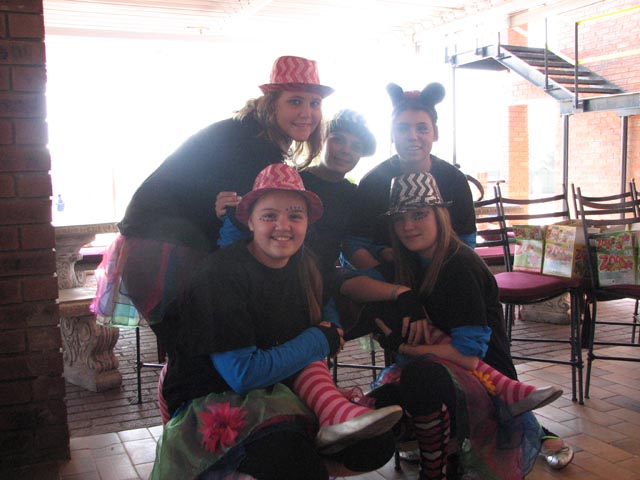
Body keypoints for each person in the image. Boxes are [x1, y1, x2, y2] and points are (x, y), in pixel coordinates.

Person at [151, 164, 402, 479]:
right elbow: (242, 375)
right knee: (296, 463)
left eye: (295, 216)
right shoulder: (222, 274)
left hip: (276, 387)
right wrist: (318, 340)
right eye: (269, 215)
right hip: (210, 395)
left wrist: (336, 325)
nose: (283, 226)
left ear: (307, 223)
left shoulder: (304, 265)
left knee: (376, 445)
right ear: (250, 222)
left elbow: (326, 308)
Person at [344, 172, 572, 478]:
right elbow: (348, 284)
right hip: (437, 373)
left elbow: (467, 355)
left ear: (440, 215)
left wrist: (406, 347)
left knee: (419, 377)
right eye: (399, 219)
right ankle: (439, 445)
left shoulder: (459, 266)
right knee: (381, 409)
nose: (408, 226)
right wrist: (400, 294)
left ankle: (435, 466)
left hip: (483, 378)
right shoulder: (409, 263)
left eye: (418, 214)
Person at [93, 55, 331, 340]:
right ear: (271, 104)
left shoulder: (253, 134)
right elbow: (242, 219)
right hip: (168, 248)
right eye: (295, 101)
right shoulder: (253, 143)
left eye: (314, 103)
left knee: (199, 343)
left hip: (165, 241)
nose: (307, 113)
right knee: (199, 345)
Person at [344, 82, 477, 272]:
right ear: (392, 135)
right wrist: (390, 279)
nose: (412, 136)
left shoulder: (454, 180)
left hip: (445, 274)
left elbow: (466, 240)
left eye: (422, 128)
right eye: (402, 128)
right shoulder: (372, 183)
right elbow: (354, 245)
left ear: (435, 134)